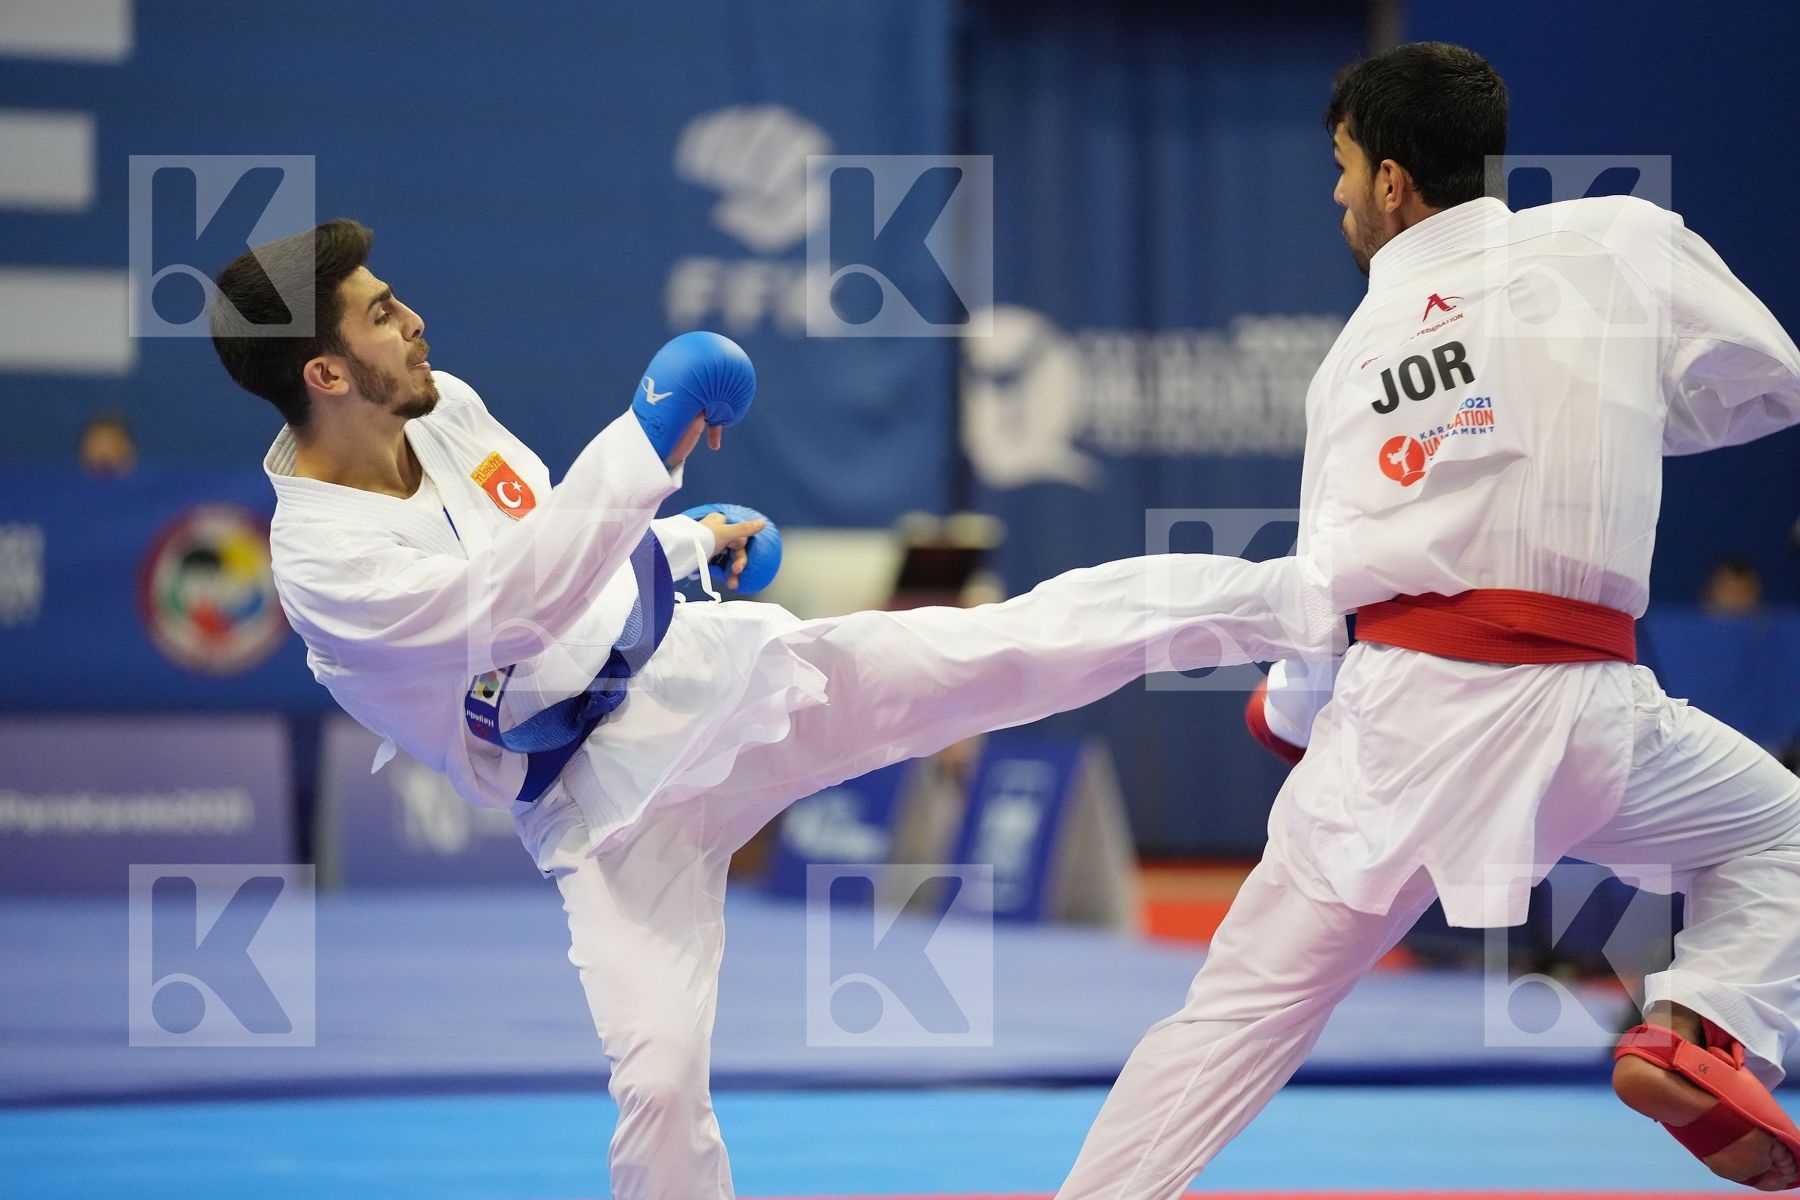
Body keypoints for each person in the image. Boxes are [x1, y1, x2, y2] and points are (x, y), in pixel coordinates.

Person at [209, 219, 1340, 1200]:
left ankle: (1290, 600)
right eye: (379, 313)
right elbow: (513, 608)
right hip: (601, 817)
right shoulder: (325, 565)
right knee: (655, 1084)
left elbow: (558, 545)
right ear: (322, 373)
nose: (413, 320)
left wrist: (690, 544)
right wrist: (647, 437)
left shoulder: (445, 409)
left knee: (1006, 648)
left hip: (712, 683)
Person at [1058, 42, 1800, 1197]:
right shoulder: (1619, 240)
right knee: (1778, 833)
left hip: (1406, 729)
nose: (1341, 193)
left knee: (1235, 1026)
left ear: (1396, 181)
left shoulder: (1356, 356)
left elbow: (1324, 594)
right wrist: (1609, 413)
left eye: (1347, 167)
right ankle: (1701, 1028)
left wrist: (1290, 714)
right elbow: (1771, 378)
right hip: (1596, 718)